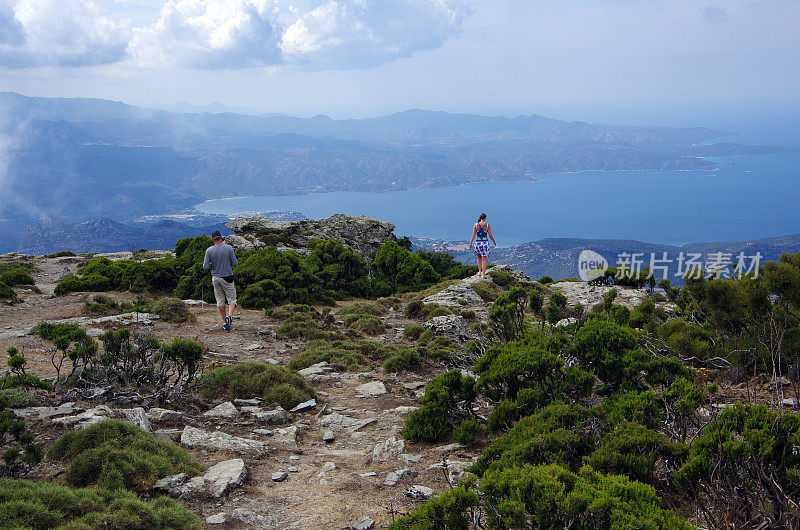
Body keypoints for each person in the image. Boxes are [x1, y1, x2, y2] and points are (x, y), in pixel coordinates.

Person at [203, 230, 238, 331]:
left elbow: (205, 266)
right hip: (228, 277)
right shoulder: (228, 248)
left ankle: (224, 322)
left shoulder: (209, 250)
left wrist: (213, 264)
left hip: (216, 278)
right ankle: (230, 317)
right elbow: (235, 263)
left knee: (220, 300)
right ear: (221, 237)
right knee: (232, 299)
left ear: (212, 239)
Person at [468, 213, 495, 278]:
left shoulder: (476, 225)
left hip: (478, 243)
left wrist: (471, 243)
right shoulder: (487, 225)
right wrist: (494, 241)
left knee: (478, 257)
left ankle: (479, 271)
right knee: (484, 259)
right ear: (485, 218)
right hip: (485, 243)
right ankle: (483, 274)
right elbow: (490, 235)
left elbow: (473, 235)